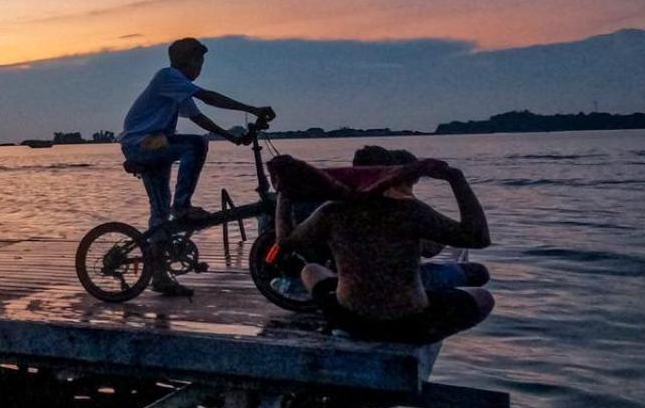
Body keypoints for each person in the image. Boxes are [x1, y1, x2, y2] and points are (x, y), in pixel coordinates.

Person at [272, 154, 494, 341]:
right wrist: (456, 179)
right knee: (484, 297)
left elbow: (285, 241)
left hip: (349, 319)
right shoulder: (409, 212)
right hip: (409, 323)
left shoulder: (331, 212)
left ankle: (345, 328)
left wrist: (283, 196)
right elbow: (478, 237)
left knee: (310, 270)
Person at [119, 38, 273, 267]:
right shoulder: (168, 76)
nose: (200, 68)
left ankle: (159, 272)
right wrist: (251, 109)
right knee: (196, 144)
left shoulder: (177, 88)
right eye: (199, 62)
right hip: (140, 145)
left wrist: (231, 137)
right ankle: (182, 207)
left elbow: (197, 117)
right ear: (188, 61)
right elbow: (207, 97)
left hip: (154, 145)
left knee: (160, 212)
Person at [351, 145, 491, 291]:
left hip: (352, 286)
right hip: (401, 289)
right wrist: (456, 178)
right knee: (478, 273)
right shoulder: (407, 209)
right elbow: (476, 238)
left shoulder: (336, 207)